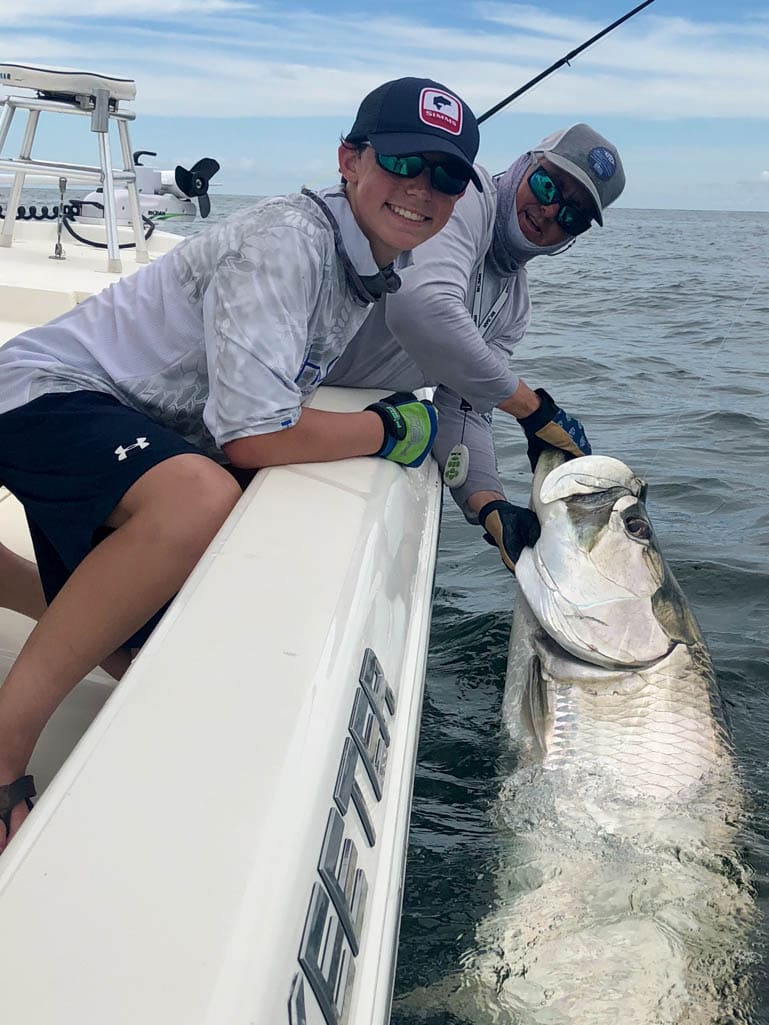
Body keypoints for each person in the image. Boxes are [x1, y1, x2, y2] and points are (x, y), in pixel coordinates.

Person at [0, 76, 482, 850]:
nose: (423, 190)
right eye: (402, 161)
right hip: (46, 393)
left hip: (123, 415)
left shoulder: (357, 258)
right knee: (198, 499)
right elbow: (252, 437)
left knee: (156, 658)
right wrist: (389, 429)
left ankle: (40, 596)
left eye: (448, 176)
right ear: (350, 160)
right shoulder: (288, 240)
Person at [325, 123, 625, 570]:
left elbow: (464, 408)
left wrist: (490, 508)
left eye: (571, 216)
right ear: (523, 164)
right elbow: (421, 307)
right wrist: (532, 408)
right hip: (282, 375)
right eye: (547, 185)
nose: (548, 212)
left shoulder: (513, 306)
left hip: (326, 400)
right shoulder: (463, 197)